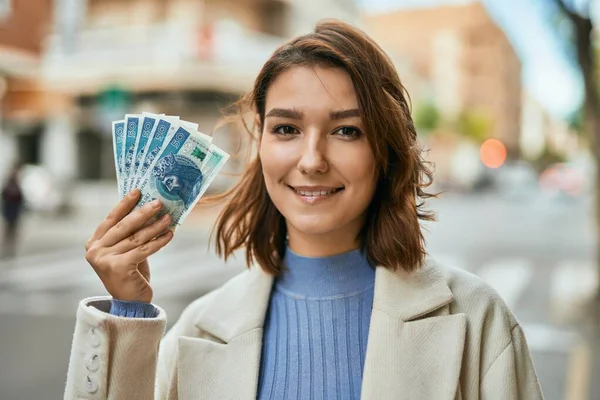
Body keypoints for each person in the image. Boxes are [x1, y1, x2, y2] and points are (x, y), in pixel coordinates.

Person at [65, 20, 543, 400]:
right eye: (287, 129)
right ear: (262, 147)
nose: (311, 160)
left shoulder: (478, 321)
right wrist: (128, 310)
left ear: (387, 150)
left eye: (346, 130)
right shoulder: (199, 331)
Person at [1, 162, 24, 260]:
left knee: (12, 226)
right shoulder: (11, 183)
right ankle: (8, 244)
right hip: (11, 208)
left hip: (13, 208)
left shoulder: (14, 183)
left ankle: (10, 244)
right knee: (10, 227)